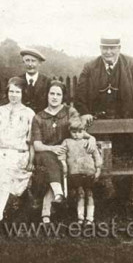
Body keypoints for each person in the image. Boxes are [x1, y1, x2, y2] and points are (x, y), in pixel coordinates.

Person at [74, 36, 133, 209]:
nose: (108, 52)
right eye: (104, 48)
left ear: (119, 48)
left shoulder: (132, 64)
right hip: (98, 124)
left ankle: (122, 199)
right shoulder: (90, 67)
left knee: (122, 158)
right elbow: (79, 95)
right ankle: (97, 195)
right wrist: (85, 112)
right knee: (96, 158)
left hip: (124, 123)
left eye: (112, 48)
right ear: (100, 48)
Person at [32, 81, 97, 224]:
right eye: (52, 93)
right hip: (45, 152)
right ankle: (57, 196)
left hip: (66, 152)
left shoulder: (69, 112)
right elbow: (37, 145)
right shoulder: (38, 117)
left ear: (63, 97)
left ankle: (46, 214)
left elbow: (78, 130)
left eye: (58, 94)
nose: (54, 97)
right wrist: (52, 148)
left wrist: (91, 138)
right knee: (51, 160)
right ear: (47, 95)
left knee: (60, 164)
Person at [0, 77, 35, 221]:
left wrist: (31, 161)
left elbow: (32, 141)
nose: (13, 95)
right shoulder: (1, 111)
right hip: (1, 152)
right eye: (11, 91)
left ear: (23, 94)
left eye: (17, 92)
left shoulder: (29, 113)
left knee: (4, 173)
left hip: (19, 155)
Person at [59, 118, 102, 225]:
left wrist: (98, 169)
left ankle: (90, 218)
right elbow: (62, 155)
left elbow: (96, 156)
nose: (77, 135)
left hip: (89, 171)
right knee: (80, 193)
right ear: (69, 132)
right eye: (74, 132)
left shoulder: (88, 142)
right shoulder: (67, 142)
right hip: (75, 173)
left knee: (89, 193)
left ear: (84, 132)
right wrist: (64, 164)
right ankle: (80, 217)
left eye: (80, 132)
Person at [19, 48, 51, 113]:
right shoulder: (17, 81)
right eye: (27, 60)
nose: (30, 64)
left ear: (39, 63)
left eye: (33, 61)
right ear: (23, 62)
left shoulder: (48, 82)